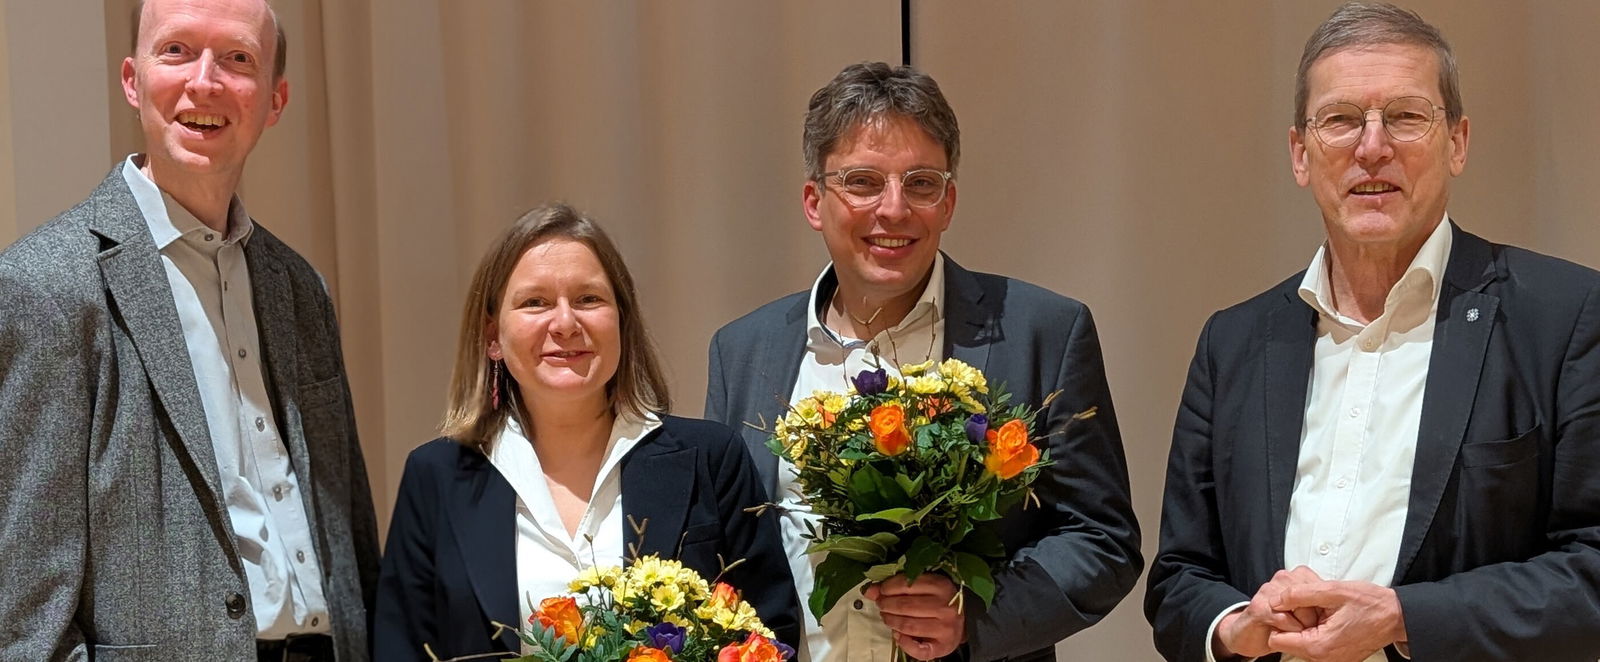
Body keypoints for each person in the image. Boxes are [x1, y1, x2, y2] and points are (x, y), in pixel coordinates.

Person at [1144, 3, 1600, 661]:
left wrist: (1403, 617)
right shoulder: (1234, 342)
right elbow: (1179, 580)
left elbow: (1590, 568)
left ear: (1458, 143)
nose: (1372, 146)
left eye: (1407, 117)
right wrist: (1242, 624)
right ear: (1301, 154)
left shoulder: (1564, 316)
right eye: (1341, 120)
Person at [705, 62, 1142, 662]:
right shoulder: (743, 351)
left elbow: (1102, 540)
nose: (894, 209)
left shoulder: (1043, 331)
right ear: (814, 200)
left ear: (949, 200)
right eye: (862, 182)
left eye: (921, 183)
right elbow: (727, 555)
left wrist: (975, 613)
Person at [0, 0, 379, 659]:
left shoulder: (300, 287)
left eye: (238, 59)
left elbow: (351, 540)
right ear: (131, 79)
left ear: (274, 99)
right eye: (176, 52)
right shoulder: (46, 285)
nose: (205, 81)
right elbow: (25, 618)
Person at [374, 203, 801, 660]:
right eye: (535, 302)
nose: (564, 323)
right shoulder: (436, 477)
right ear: (493, 335)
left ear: (622, 320)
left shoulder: (712, 459)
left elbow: (769, 634)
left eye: (588, 299)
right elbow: (401, 647)